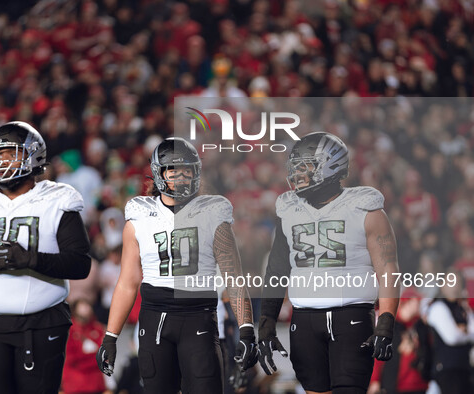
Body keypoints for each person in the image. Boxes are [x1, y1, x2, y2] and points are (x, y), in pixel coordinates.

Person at [0, 121, 92, 394]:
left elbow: (80, 264)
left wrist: (32, 260)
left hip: (42, 324)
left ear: (34, 156)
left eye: (11, 153)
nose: (3, 161)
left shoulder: (57, 199)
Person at [96, 137, 258, 393]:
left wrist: (246, 330)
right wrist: (111, 336)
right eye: (174, 170)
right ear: (159, 173)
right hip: (155, 319)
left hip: (199, 317)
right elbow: (127, 282)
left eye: (187, 170)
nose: (181, 176)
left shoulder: (213, 213)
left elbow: (234, 278)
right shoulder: (139, 216)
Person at [257, 132, 400, 393]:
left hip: (351, 318)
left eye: (305, 165)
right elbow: (277, 269)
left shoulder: (364, 207)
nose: (298, 172)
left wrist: (386, 321)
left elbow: (388, 268)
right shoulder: (289, 209)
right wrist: (267, 320)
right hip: (304, 321)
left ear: (329, 164)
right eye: (296, 166)